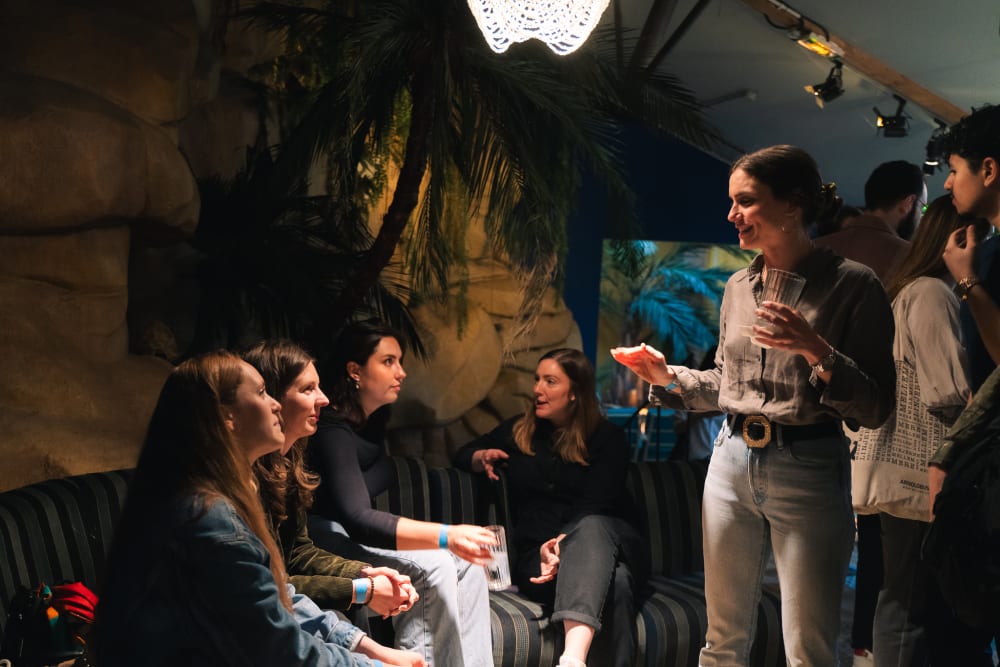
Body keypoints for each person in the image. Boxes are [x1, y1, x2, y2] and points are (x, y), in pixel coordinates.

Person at [611, 144, 896, 666]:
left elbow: (876, 406)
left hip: (809, 467)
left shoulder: (853, 284)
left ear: (792, 205)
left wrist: (816, 349)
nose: (731, 214)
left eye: (745, 201)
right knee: (722, 641)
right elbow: (726, 383)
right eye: (731, 201)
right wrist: (667, 376)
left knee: (808, 649)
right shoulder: (739, 286)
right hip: (729, 461)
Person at [97, 351, 407, 666]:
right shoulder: (209, 519)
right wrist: (369, 649)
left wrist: (366, 644)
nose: (275, 404)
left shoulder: (228, 492)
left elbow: (278, 594)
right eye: (261, 393)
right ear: (226, 417)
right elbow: (279, 649)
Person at [306, 320, 494, 667]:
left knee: (470, 566)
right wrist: (447, 535)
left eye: (400, 361)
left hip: (348, 530)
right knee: (436, 564)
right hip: (321, 535)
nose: (402, 372)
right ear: (355, 371)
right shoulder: (332, 428)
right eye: (388, 361)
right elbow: (357, 516)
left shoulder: (373, 422)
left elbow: (370, 488)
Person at [454, 348, 646, 667]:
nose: (537, 389)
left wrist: (561, 545)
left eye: (550, 381)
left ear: (575, 392)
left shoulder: (607, 439)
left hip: (611, 543)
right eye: (537, 380)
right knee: (619, 583)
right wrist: (480, 457)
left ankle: (571, 660)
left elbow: (596, 503)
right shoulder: (519, 431)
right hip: (538, 557)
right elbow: (463, 452)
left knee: (593, 525)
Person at [856, 196, 985, 666]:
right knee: (908, 600)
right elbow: (948, 390)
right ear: (960, 239)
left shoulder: (910, 289)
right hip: (924, 469)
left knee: (905, 596)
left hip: (906, 469)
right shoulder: (932, 292)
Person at [243, 340, 423, 667]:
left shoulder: (288, 464)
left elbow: (298, 552)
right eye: (308, 389)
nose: (323, 399)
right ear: (274, 400)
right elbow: (269, 586)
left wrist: (364, 572)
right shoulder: (239, 483)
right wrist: (362, 588)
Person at [815, 159, 924, 667]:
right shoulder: (910, 259)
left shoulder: (817, 250)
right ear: (908, 204)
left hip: (809, 423)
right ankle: (865, 651)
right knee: (880, 554)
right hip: (878, 422)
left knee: (811, 558)